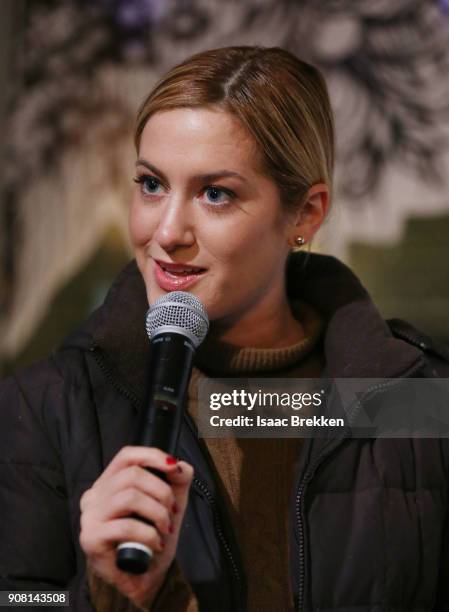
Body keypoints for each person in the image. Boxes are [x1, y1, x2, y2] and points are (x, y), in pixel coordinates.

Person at [1, 45, 449, 612]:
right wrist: (99, 594)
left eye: (216, 194)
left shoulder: (418, 399)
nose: (167, 231)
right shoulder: (43, 406)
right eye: (151, 184)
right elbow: (17, 600)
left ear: (306, 213)